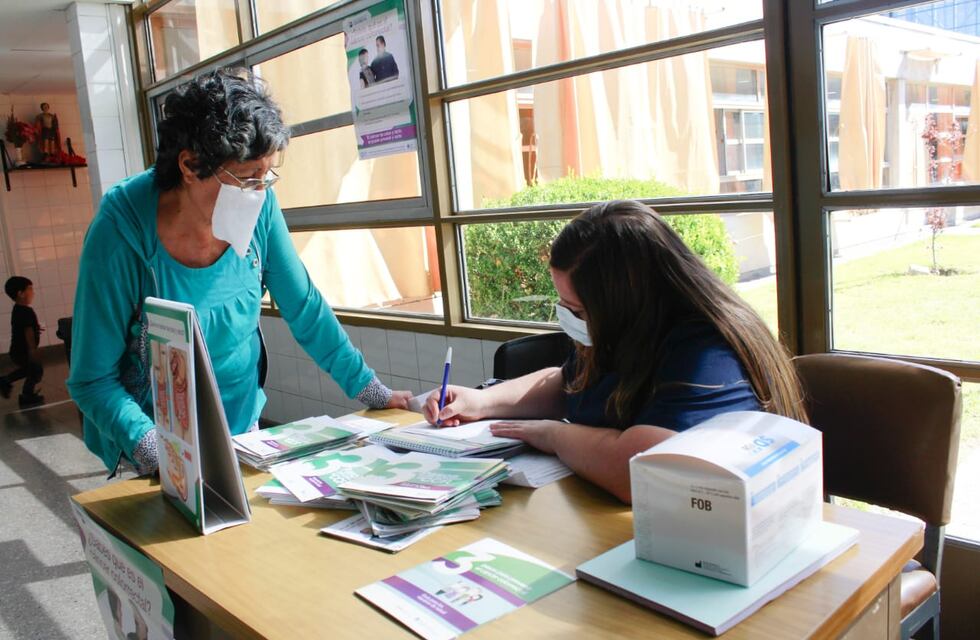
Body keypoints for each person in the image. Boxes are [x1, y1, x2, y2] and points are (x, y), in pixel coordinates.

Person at [68, 69, 411, 477]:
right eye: (247, 178)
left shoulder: (259, 204)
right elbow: (93, 380)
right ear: (190, 166)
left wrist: (370, 390)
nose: (259, 192)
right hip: (147, 443)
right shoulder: (121, 232)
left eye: (266, 177)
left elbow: (304, 307)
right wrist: (161, 454)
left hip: (242, 432)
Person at [423, 200, 807, 503]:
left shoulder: (707, 349)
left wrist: (553, 436)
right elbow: (567, 381)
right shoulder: (630, 328)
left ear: (624, 301)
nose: (570, 319)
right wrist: (481, 401)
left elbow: (636, 471)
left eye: (578, 310)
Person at [0, 276, 45, 407]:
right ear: (20, 293)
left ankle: (5, 381)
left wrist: (36, 328)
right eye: (30, 289)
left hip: (17, 350)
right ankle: (27, 395)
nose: (33, 292)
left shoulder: (17, 310)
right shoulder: (26, 311)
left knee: (28, 370)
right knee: (35, 371)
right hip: (24, 350)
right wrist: (32, 350)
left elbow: (26, 327)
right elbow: (27, 331)